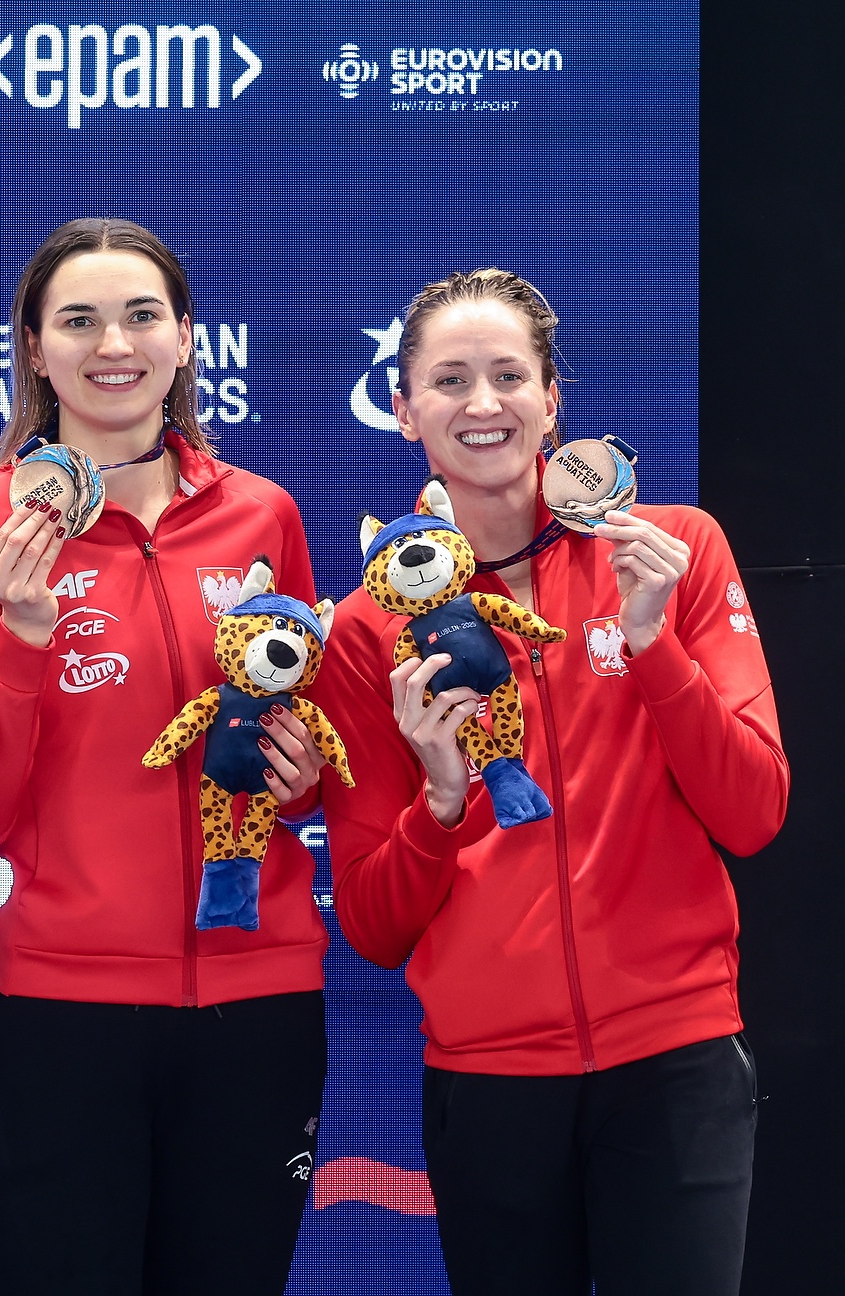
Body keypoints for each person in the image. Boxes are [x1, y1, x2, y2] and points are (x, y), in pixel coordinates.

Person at [321, 268, 787, 1295]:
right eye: (448, 380)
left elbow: (753, 811)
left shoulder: (672, 552)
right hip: (490, 1084)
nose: (481, 403)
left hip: (675, 1061)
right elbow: (372, 923)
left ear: (549, 400)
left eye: (507, 375)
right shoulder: (366, 627)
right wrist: (441, 804)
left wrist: (652, 647)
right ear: (403, 411)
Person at [0, 218, 332, 1295]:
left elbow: (301, 757)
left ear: (185, 338)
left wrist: (300, 776)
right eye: (78, 320)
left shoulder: (262, 515)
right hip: (66, 1013)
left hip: (260, 1002)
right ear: (33, 348)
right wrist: (23, 637)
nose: (113, 344)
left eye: (142, 315)